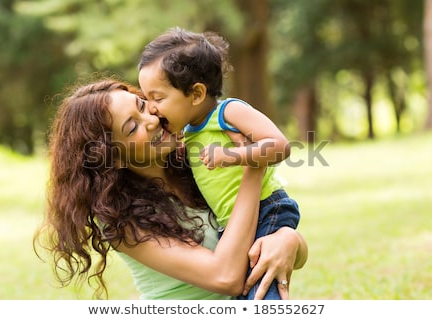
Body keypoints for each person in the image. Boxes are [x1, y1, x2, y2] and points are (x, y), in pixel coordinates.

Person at [33, 78, 308, 300]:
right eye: (132, 127)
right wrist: (253, 165)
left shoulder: (198, 162)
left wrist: (288, 240)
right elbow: (225, 277)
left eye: (142, 105)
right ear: (111, 156)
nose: (151, 119)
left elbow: (267, 230)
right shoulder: (121, 219)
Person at [138, 27, 302, 300]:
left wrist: (233, 156)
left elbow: (280, 145)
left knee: (261, 294)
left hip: (266, 208)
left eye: (158, 98)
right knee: (246, 291)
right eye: (146, 99)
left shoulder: (228, 112)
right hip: (234, 223)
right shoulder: (188, 131)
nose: (152, 108)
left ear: (196, 94)